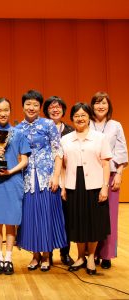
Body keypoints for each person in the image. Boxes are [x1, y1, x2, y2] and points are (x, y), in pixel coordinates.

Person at [16, 90, 67, 272]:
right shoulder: (17, 129)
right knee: (31, 217)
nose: (31, 107)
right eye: (28, 104)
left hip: (47, 178)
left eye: (35, 105)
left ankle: (46, 255)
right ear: (23, 106)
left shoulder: (48, 125)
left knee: (46, 215)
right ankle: (35, 255)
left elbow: (58, 151)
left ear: (40, 107)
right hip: (28, 179)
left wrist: (56, 176)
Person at [61, 102, 112, 275]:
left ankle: (91, 256)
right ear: (72, 119)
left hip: (95, 184)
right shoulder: (65, 139)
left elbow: (106, 164)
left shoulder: (100, 138)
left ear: (89, 117)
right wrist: (63, 187)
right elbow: (62, 166)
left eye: (83, 115)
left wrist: (105, 187)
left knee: (94, 222)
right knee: (77, 221)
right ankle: (80, 256)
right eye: (76, 116)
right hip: (73, 184)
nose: (80, 118)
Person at [0, 97, 31, 275]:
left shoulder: (18, 134)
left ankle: (9, 258)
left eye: (6, 110)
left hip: (12, 181)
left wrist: (11, 172)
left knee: (11, 221)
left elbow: (25, 160)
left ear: (10, 111)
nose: (2, 114)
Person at [90, 92, 128, 269]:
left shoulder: (115, 126)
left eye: (103, 103)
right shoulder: (87, 123)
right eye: (97, 103)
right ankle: (93, 254)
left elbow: (121, 150)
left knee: (110, 217)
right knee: (92, 217)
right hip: (90, 176)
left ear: (108, 106)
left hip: (111, 175)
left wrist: (119, 173)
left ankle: (106, 255)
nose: (100, 106)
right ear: (92, 106)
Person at [43, 96, 74, 266]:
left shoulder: (70, 130)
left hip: (67, 178)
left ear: (63, 110)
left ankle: (65, 252)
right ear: (46, 110)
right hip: (49, 179)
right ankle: (48, 254)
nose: (55, 110)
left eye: (58, 107)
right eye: (51, 107)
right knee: (50, 217)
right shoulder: (42, 128)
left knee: (66, 218)